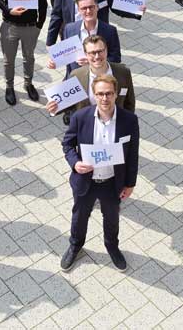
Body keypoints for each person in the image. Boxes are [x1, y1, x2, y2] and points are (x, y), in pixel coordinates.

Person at [60, 75, 139, 272]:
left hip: (112, 182)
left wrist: (130, 184)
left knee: (111, 217)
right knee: (79, 216)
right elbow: (67, 144)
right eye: (100, 94)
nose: (105, 98)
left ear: (116, 94)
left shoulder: (129, 120)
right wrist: (75, 163)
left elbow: (132, 154)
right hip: (85, 180)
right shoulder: (80, 117)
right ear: (94, 95)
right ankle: (75, 245)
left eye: (109, 93)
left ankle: (112, 246)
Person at [47, 35, 136, 123]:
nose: (97, 56)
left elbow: (129, 102)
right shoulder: (77, 75)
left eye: (100, 51)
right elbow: (68, 103)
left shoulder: (123, 72)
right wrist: (54, 108)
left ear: (106, 51)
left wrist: (127, 123)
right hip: (86, 127)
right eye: (92, 53)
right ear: (86, 54)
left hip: (114, 125)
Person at [48, 0, 121, 77]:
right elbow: (67, 55)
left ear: (97, 7)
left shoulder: (110, 31)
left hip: (100, 79)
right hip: (75, 79)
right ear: (79, 10)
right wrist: (55, 62)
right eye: (84, 8)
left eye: (91, 7)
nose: (88, 11)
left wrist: (92, 62)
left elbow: (116, 59)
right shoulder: (69, 29)